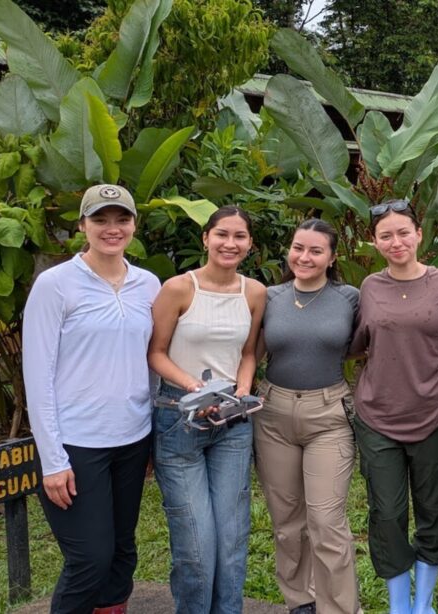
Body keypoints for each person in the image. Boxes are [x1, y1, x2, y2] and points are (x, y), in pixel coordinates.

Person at [23, 184, 161, 614]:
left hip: (132, 437)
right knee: (89, 559)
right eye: (100, 219)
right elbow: (37, 375)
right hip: (77, 444)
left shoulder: (148, 284)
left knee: (122, 552)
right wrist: (53, 459)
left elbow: (153, 362)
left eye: (122, 219)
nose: (112, 228)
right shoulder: (55, 285)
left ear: (134, 225)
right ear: (82, 225)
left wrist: (153, 433)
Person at [147, 206, 266, 614]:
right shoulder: (179, 288)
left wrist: (242, 389)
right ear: (206, 238)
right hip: (180, 416)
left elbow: (248, 353)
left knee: (231, 538)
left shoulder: (254, 292)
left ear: (249, 244)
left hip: (233, 420)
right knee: (196, 545)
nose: (229, 244)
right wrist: (195, 386)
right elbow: (156, 353)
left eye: (239, 237)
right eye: (222, 235)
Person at [349, 199, 438, 614]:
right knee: (388, 512)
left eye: (403, 233)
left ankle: (423, 603)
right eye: (385, 236)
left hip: (434, 413)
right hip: (378, 416)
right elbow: (359, 345)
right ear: (375, 243)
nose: (396, 242)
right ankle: (399, 604)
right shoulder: (370, 288)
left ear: (419, 235)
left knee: (435, 508)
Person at [253, 218, 361, 614]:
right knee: (287, 521)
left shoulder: (349, 297)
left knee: (326, 521)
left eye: (316, 250)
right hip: (274, 412)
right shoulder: (270, 296)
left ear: (332, 258)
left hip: (328, 413)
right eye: (299, 247)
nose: (305, 257)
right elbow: (253, 351)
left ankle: (339, 608)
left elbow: (362, 345)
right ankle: (300, 600)